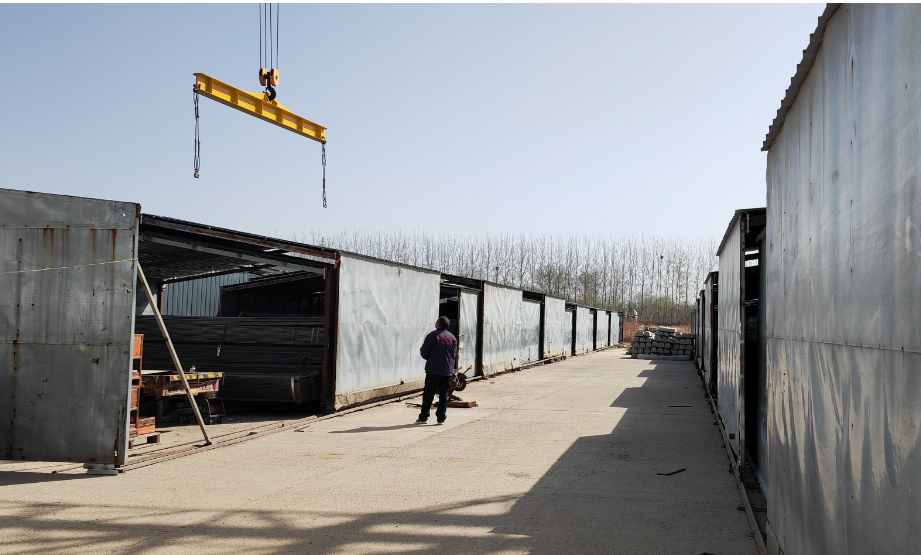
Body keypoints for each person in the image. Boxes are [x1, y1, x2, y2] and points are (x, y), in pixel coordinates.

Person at [417, 316, 457, 425]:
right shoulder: (452, 338)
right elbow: (454, 354)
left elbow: (424, 352)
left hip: (433, 370)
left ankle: (423, 417)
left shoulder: (432, 335)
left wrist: (431, 359)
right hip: (447, 371)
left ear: (437, 324)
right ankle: (441, 418)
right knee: (444, 395)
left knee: (428, 394)